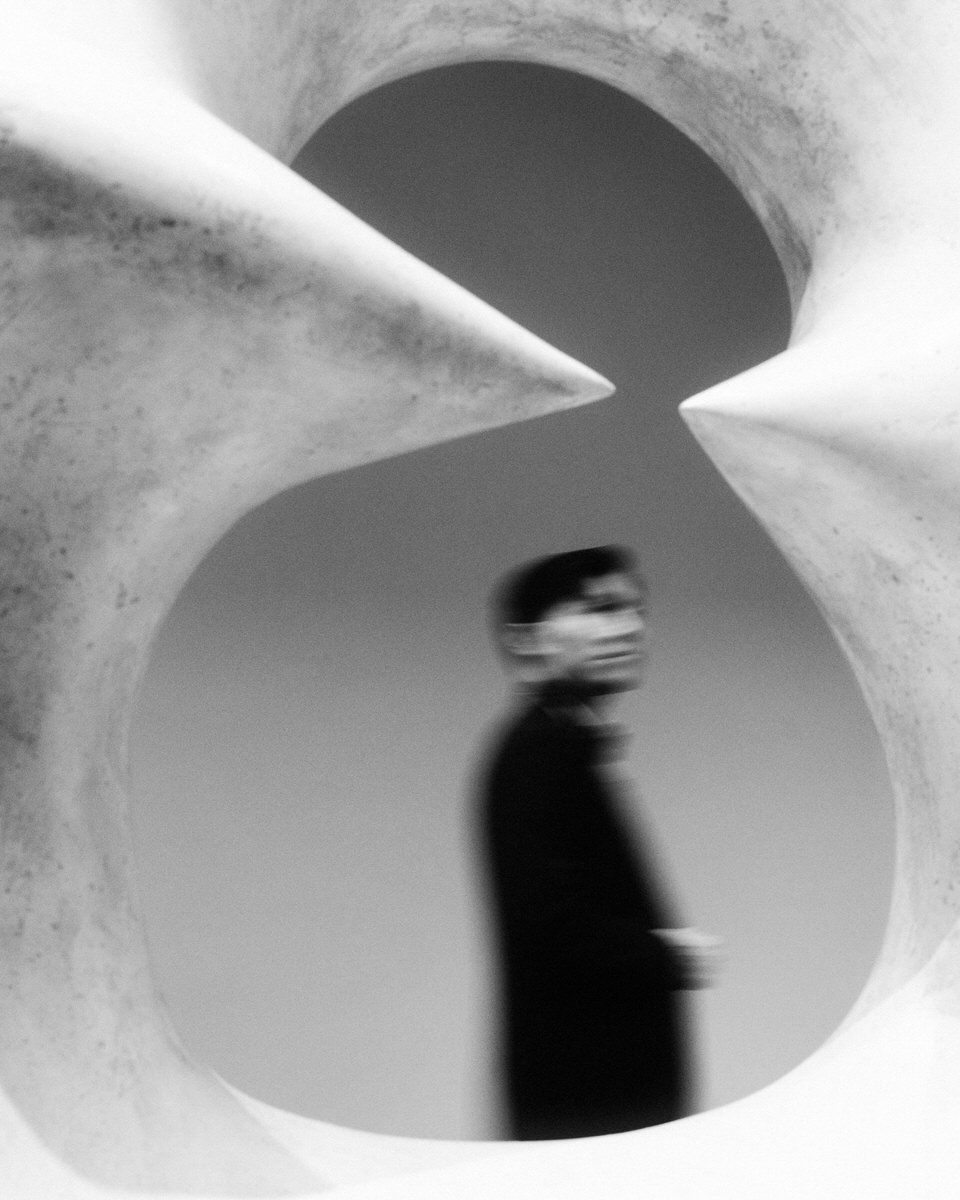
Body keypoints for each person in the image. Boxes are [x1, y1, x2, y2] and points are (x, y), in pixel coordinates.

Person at [475, 545, 722, 1140]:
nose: (633, 627)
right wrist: (670, 955)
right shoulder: (541, 753)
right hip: (587, 1104)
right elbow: (551, 926)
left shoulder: (561, 747)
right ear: (526, 641)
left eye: (636, 609)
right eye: (600, 608)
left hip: (595, 1103)